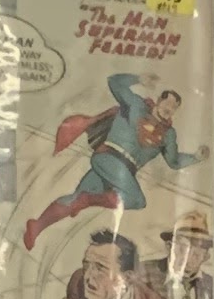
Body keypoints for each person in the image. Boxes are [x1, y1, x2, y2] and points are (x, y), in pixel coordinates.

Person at [22, 75, 185, 246]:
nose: (169, 108)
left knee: (75, 199)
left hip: (123, 171)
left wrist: (197, 157)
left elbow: (174, 162)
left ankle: (36, 226)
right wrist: (138, 79)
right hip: (109, 157)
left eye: (174, 107)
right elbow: (114, 82)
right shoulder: (136, 105)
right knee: (136, 200)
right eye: (167, 103)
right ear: (159, 100)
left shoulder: (168, 134)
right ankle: (88, 200)